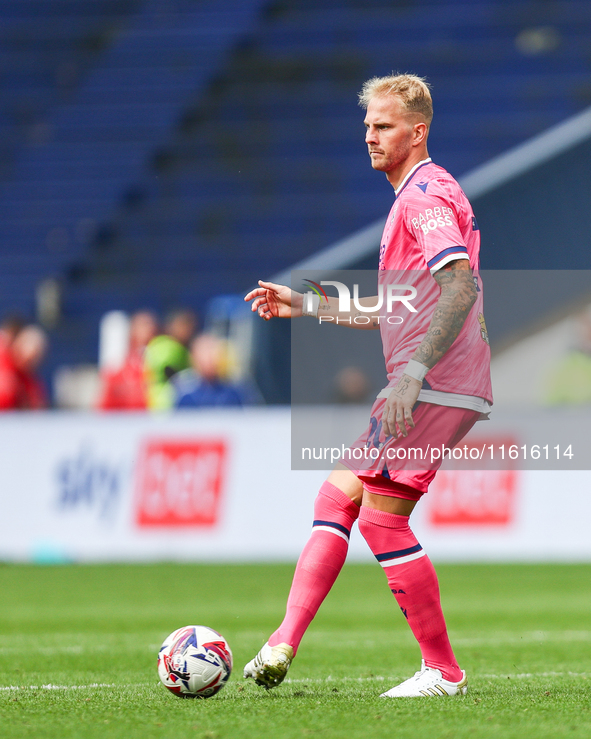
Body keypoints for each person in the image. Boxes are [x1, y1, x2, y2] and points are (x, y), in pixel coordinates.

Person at [243, 74, 492, 698]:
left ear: (417, 131)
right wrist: (305, 303)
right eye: (367, 127)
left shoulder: (424, 197)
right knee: (338, 499)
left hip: (431, 384)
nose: (371, 138)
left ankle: (443, 672)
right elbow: (396, 304)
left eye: (383, 127)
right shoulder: (412, 196)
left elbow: (459, 286)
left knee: (383, 523)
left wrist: (411, 374)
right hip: (430, 382)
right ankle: (282, 644)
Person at [97, 310, 159, 410]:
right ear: (133, 330)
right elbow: (105, 406)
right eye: (144, 324)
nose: (150, 328)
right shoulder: (119, 367)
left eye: (152, 324)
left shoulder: (163, 361)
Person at [144, 308, 197, 410]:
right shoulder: (172, 347)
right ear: (172, 326)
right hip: (164, 402)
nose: (188, 331)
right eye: (184, 325)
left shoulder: (159, 343)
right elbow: (168, 372)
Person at [173, 333, 244, 408]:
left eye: (212, 350)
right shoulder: (184, 392)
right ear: (193, 357)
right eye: (204, 351)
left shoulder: (233, 392)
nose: (210, 357)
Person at [0, 323, 48, 409]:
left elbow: (38, 407)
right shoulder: (3, 360)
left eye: (32, 359)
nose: (26, 361)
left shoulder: (30, 383)